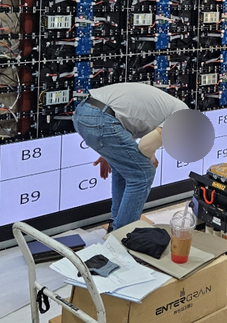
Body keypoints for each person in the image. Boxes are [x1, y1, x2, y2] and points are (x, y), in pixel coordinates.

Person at [73, 82, 187, 230]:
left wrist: (109, 153)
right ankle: (123, 233)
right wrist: (151, 159)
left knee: (125, 169)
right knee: (143, 173)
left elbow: (130, 123)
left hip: (83, 111)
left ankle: (115, 225)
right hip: (102, 117)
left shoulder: (170, 107)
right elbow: (146, 145)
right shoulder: (183, 116)